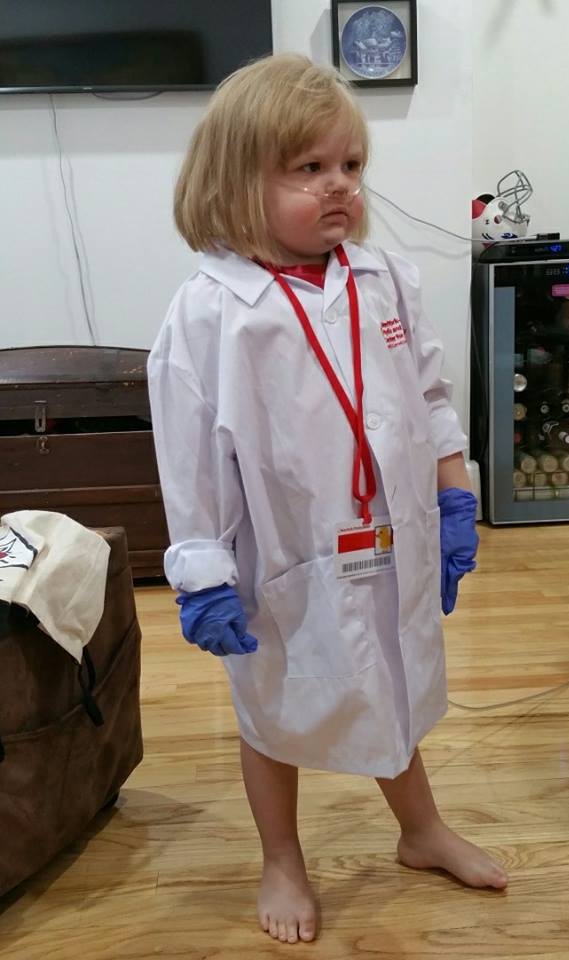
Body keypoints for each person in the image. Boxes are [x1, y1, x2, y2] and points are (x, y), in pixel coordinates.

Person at [147, 52, 507, 946]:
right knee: (274, 701)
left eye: (350, 166)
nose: (338, 187)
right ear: (236, 181)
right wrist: (200, 572)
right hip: (280, 551)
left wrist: (453, 495)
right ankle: (282, 857)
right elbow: (187, 461)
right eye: (308, 169)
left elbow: (427, 396)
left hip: (392, 535)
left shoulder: (384, 280)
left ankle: (419, 831)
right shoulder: (209, 312)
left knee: (392, 675)